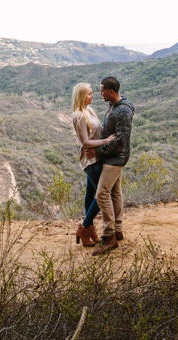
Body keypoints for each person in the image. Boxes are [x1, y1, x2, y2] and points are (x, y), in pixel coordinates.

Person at [87, 76, 134, 255]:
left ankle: (109, 237)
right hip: (112, 157)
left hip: (115, 159)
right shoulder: (114, 106)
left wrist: (98, 152)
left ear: (111, 91)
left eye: (102, 91)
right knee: (115, 192)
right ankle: (118, 230)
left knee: (101, 194)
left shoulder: (122, 111)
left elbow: (121, 140)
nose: (100, 94)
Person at [70, 82, 116, 247]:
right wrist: (106, 141)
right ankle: (85, 227)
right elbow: (86, 142)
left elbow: (98, 130)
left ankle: (89, 229)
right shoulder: (79, 115)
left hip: (96, 158)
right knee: (101, 196)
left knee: (91, 195)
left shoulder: (89, 110)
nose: (93, 96)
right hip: (91, 161)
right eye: (89, 94)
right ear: (82, 96)